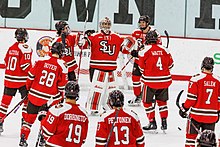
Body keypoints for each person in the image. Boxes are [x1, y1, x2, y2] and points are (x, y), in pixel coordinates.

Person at [19, 42, 68, 147]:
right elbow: (61, 87)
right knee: (46, 122)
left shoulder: (41, 60)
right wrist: (61, 98)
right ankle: (43, 139)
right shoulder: (62, 65)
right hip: (48, 100)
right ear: (61, 52)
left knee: (28, 120)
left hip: (34, 96)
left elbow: (30, 77)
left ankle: (23, 139)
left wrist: (28, 90)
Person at [84, 17, 128, 115]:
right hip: (96, 68)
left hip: (111, 68)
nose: (106, 26)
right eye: (104, 24)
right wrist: (85, 37)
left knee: (111, 89)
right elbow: (82, 45)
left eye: (107, 24)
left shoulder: (117, 37)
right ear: (100, 25)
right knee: (97, 89)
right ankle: (93, 107)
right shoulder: (94, 36)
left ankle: (109, 106)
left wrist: (132, 44)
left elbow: (125, 49)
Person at [179, 57, 220, 147]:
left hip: (196, 116)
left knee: (190, 139)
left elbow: (191, 99)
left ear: (202, 66)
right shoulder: (218, 80)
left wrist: (184, 108)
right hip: (211, 117)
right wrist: (217, 112)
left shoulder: (195, 79)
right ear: (212, 67)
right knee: (208, 142)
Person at [139, 30, 174, 132]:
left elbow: (141, 68)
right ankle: (164, 122)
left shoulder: (144, 51)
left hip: (150, 82)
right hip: (165, 81)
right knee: (162, 102)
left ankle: (152, 122)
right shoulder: (165, 50)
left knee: (146, 102)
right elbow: (171, 65)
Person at [0, 28, 32, 133]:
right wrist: (33, 72)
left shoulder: (11, 48)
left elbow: (5, 61)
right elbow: (25, 66)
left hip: (9, 80)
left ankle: (0, 122)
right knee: (26, 102)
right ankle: (25, 122)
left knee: (4, 103)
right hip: (22, 81)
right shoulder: (25, 47)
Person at [39, 81, 89, 147]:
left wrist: (43, 116)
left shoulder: (57, 110)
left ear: (65, 93)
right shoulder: (84, 114)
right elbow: (83, 140)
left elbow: (46, 132)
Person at [127, 15, 162, 106]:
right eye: (140, 22)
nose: (141, 24)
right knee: (135, 78)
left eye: (143, 22)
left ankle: (150, 96)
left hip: (149, 61)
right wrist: (132, 52)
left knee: (149, 80)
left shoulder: (154, 33)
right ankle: (138, 96)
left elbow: (158, 46)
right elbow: (130, 43)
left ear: (147, 23)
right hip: (138, 60)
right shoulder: (136, 32)